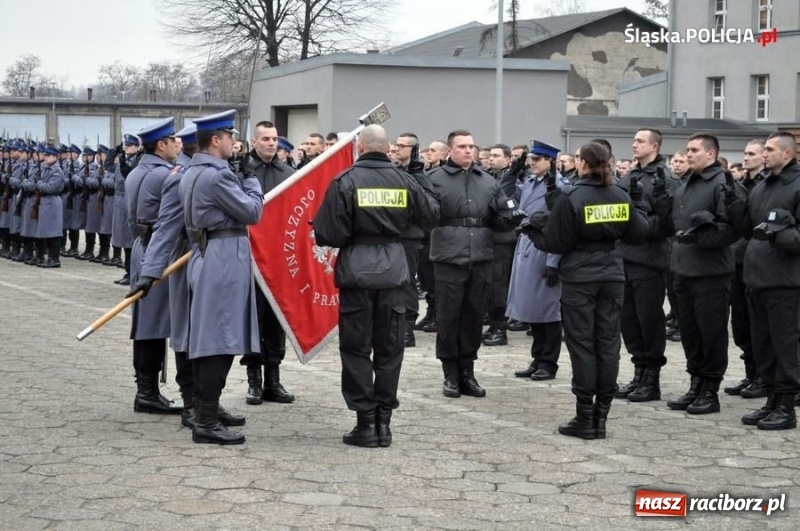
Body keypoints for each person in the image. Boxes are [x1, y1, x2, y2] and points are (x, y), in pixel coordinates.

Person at [313, 124, 439, 447]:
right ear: (387, 148)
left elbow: (328, 233)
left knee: (356, 348)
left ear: (361, 147)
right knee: (390, 347)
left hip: (357, 270)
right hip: (395, 270)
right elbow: (431, 214)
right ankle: (384, 423)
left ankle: (365, 424)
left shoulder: (345, 180)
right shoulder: (405, 180)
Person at [526, 142, 648, 439]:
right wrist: (639, 205)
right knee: (608, 343)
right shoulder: (619, 194)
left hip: (580, 278)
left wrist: (532, 230)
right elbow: (638, 234)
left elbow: (555, 243)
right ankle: (601, 417)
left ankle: (585, 416)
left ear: (582, 163)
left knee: (582, 345)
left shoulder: (573, 195)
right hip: (612, 275)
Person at [179, 109, 263, 445]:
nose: (234, 143)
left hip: (206, 254)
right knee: (220, 340)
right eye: (230, 136)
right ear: (216, 140)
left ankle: (206, 410)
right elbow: (252, 212)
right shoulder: (219, 176)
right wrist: (251, 180)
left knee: (210, 338)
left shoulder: (192, 171)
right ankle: (206, 420)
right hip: (223, 259)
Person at [652, 133, 741, 415]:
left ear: (711, 154)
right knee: (690, 332)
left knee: (711, 333)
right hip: (683, 270)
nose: (688, 154)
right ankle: (696, 383)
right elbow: (673, 223)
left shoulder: (721, 183)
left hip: (710, 273)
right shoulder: (687, 183)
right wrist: (660, 199)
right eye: (687, 150)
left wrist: (701, 236)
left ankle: (710, 390)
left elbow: (730, 229)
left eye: (694, 150)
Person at [428, 130, 522, 398]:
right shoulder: (434, 179)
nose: (468, 150)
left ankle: (467, 371)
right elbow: (425, 216)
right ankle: (450, 372)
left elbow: (498, 219)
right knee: (449, 317)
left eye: (471, 146)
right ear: (450, 151)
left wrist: (511, 218)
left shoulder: (488, 181)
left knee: (473, 316)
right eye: (462, 146)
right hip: (449, 257)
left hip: (480, 256)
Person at [727, 132, 800, 430]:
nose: (765, 153)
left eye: (770, 149)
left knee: (785, 346)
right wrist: (733, 203)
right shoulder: (762, 186)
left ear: (787, 153)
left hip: (785, 281)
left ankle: (786, 406)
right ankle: (771, 399)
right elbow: (748, 229)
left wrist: (779, 231)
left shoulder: (797, 185)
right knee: (763, 344)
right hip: (756, 278)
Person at [615, 129, 679, 403]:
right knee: (628, 320)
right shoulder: (630, 176)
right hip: (624, 256)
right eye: (633, 140)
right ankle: (638, 371)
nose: (634, 144)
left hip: (649, 258)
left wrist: (636, 224)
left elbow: (669, 223)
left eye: (640, 141)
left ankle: (651, 378)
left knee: (648, 319)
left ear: (654, 146)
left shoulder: (665, 179)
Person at [124, 117, 183, 417]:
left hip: (141, 246)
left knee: (147, 321)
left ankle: (146, 389)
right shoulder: (165, 174)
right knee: (154, 323)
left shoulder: (137, 171)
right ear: (161, 145)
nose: (177, 146)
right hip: (159, 251)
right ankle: (147, 392)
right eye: (173, 141)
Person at [238, 121, 297, 406]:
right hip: (248, 259)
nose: (272, 143)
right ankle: (254, 380)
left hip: (278, 261)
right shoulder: (240, 173)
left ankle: (273, 379)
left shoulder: (289, 174)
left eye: (274, 139)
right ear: (254, 141)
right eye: (265, 139)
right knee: (253, 320)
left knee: (276, 321)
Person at [505, 141, 568, 380]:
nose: (532, 163)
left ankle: (548, 362)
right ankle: (537, 357)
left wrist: (553, 262)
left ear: (550, 162)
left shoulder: (559, 186)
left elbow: (560, 226)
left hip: (544, 249)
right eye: (531, 159)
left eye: (537, 159)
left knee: (548, 310)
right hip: (526, 245)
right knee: (532, 308)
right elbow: (505, 195)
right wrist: (511, 173)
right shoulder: (531, 181)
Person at [725, 139, 768, 398]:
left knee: (758, 323)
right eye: (745, 153)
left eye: (752, 153)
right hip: (737, 260)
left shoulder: (765, 186)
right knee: (740, 322)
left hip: (758, 262)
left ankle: (763, 375)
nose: (746, 157)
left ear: (764, 156)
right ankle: (751, 372)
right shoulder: (740, 185)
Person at [111, 135, 142, 285]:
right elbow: (108, 165)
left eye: (129, 146)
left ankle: (132, 273)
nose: (126, 148)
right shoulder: (124, 160)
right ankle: (127, 271)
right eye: (125, 146)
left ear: (137, 147)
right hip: (119, 201)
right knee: (123, 238)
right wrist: (114, 151)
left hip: (128, 199)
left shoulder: (137, 161)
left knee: (130, 239)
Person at [33, 144, 66, 268]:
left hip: (52, 202)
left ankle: (54, 259)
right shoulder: (45, 168)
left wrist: (38, 182)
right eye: (45, 155)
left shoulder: (57, 171)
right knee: (45, 231)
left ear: (55, 157)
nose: (45, 157)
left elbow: (50, 188)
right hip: (45, 202)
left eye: (48, 155)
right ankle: (47, 257)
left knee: (53, 232)